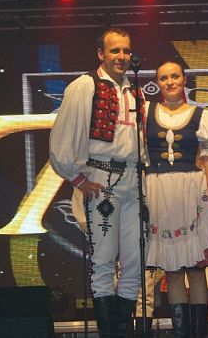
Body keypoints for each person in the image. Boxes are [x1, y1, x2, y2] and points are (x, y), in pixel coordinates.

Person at [50, 27, 146, 338]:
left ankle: (123, 330)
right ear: (101, 53)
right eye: (115, 50)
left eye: (126, 50)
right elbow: (62, 138)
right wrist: (79, 179)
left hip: (134, 180)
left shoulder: (134, 90)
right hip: (102, 178)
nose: (122, 56)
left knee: (134, 261)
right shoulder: (85, 86)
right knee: (104, 261)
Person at [144, 60, 208, 338]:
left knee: (195, 268)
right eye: (163, 78)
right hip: (159, 191)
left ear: (184, 79)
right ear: (157, 83)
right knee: (172, 270)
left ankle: (199, 334)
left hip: (191, 191)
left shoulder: (200, 115)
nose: (169, 82)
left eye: (174, 76)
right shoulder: (146, 113)